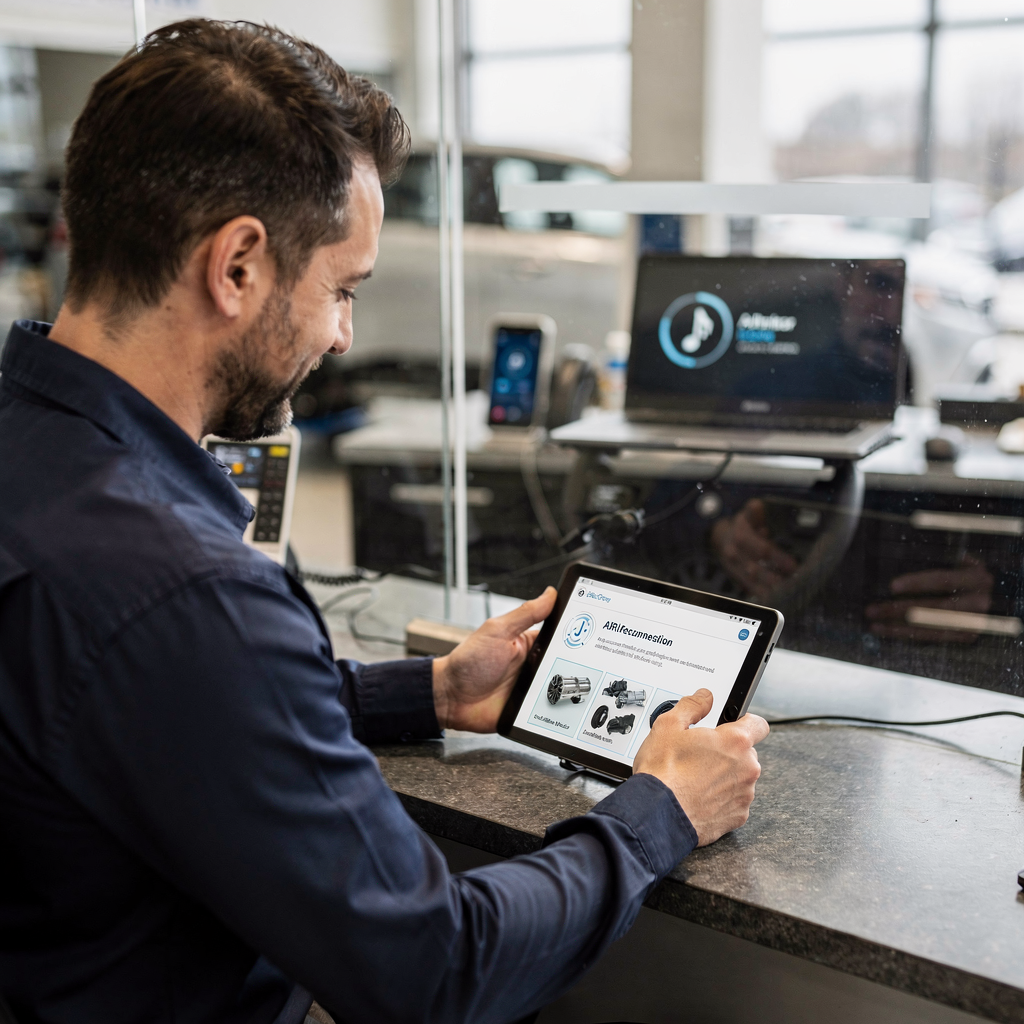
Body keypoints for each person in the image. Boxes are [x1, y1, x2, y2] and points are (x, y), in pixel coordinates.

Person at [0, 20, 768, 1024]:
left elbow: (146, 710)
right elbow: (437, 969)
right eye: (341, 289)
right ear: (236, 265)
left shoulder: (38, 464)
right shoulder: (184, 588)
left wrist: (430, 690)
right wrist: (658, 813)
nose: (342, 333)